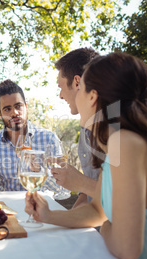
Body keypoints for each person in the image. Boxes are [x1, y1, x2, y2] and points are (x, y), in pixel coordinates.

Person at [25, 52, 147, 259]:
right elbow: (96, 212)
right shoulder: (116, 145)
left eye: (81, 88)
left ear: (92, 96)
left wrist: (109, 226)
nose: (69, 96)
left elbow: (126, 249)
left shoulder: (125, 143)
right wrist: (48, 215)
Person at [0, 79, 60, 192]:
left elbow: (60, 189)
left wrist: (38, 170)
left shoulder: (49, 139)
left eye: (18, 106)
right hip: (7, 208)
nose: (14, 113)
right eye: (7, 109)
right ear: (0, 114)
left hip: (43, 208)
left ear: (26, 107)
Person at [54, 47, 100, 208]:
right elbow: (88, 195)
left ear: (77, 82)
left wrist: (80, 182)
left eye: (60, 87)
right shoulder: (86, 129)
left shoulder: (117, 129)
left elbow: (124, 196)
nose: (60, 95)